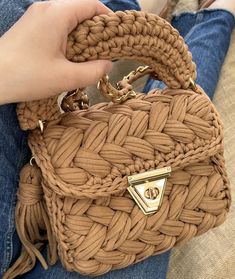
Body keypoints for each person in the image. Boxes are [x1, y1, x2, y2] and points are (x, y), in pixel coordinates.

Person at [0, 0, 234, 278]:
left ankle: (152, 8)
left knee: (180, 97)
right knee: (178, 103)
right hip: (77, 227)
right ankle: (213, 16)